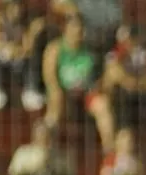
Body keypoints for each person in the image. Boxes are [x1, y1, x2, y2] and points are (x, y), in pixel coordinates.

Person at [42, 15, 115, 153]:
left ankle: (109, 152)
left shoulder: (90, 50)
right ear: (66, 29)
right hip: (63, 93)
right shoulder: (55, 49)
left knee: (103, 104)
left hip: (86, 94)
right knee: (55, 100)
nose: (78, 32)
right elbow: (49, 77)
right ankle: (46, 146)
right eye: (74, 28)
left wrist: (99, 85)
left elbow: (100, 76)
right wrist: (57, 91)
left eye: (81, 29)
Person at [0, 0, 46, 112]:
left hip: (19, 59)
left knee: (32, 56)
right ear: (7, 9)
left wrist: (19, 49)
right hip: (3, 58)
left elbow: (28, 47)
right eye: (14, 8)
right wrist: (7, 47)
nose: (18, 11)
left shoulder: (25, 23)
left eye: (19, 7)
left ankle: (31, 90)